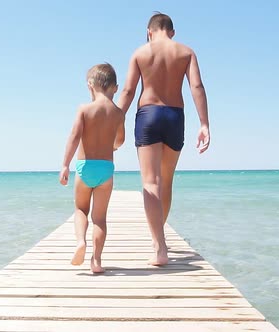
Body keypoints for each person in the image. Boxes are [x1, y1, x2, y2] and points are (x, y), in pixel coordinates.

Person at [115, 12, 210, 266]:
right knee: (166, 181)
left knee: (150, 181)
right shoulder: (186, 52)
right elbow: (197, 87)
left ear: (149, 30)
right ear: (172, 32)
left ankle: (159, 246)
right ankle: (159, 237)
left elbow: (127, 90)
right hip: (174, 116)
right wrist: (204, 123)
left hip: (148, 114)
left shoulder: (140, 53)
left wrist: (115, 119)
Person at [59, 63, 125, 273]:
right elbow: (120, 141)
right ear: (114, 87)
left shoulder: (85, 109)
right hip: (106, 169)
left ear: (90, 85)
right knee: (100, 218)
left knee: (81, 209)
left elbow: (74, 137)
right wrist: (111, 145)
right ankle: (96, 261)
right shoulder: (117, 113)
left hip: (84, 167)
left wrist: (65, 165)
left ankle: (80, 242)